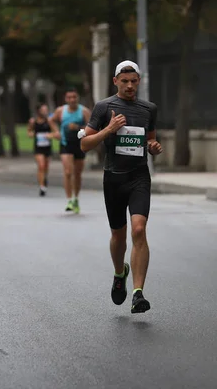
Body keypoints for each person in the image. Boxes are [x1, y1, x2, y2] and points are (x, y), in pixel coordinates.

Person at [80, 60, 163, 314]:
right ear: (115, 81)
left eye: (133, 81)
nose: (129, 86)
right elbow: (85, 144)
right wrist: (109, 129)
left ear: (139, 82)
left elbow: (150, 140)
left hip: (139, 177)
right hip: (113, 178)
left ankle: (138, 293)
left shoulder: (148, 109)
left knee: (139, 229)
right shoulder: (104, 107)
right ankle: (120, 272)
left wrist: (153, 148)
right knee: (118, 235)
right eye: (124, 81)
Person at [50, 88, 91, 213]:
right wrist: (56, 131)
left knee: (77, 174)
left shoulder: (83, 111)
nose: (72, 100)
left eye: (74, 97)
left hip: (79, 144)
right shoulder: (60, 111)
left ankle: (75, 198)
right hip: (65, 143)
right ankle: (69, 200)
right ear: (65, 99)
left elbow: (92, 127)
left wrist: (78, 127)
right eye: (69, 97)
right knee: (68, 172)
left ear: (77, 98)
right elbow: (51, 120)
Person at [27, 103, 60, 196]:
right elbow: (29, 132)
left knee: (45, 167)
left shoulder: (49, 121)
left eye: (46, 110)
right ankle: (42, 187)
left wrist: (50, 135)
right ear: (39, 111)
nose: (45, 112)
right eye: (43, 110)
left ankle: (44, 179)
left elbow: (57, 133)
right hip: (38, 147)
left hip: (47, 147)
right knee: (41, 166)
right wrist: (32, 134)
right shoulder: (33, 121)